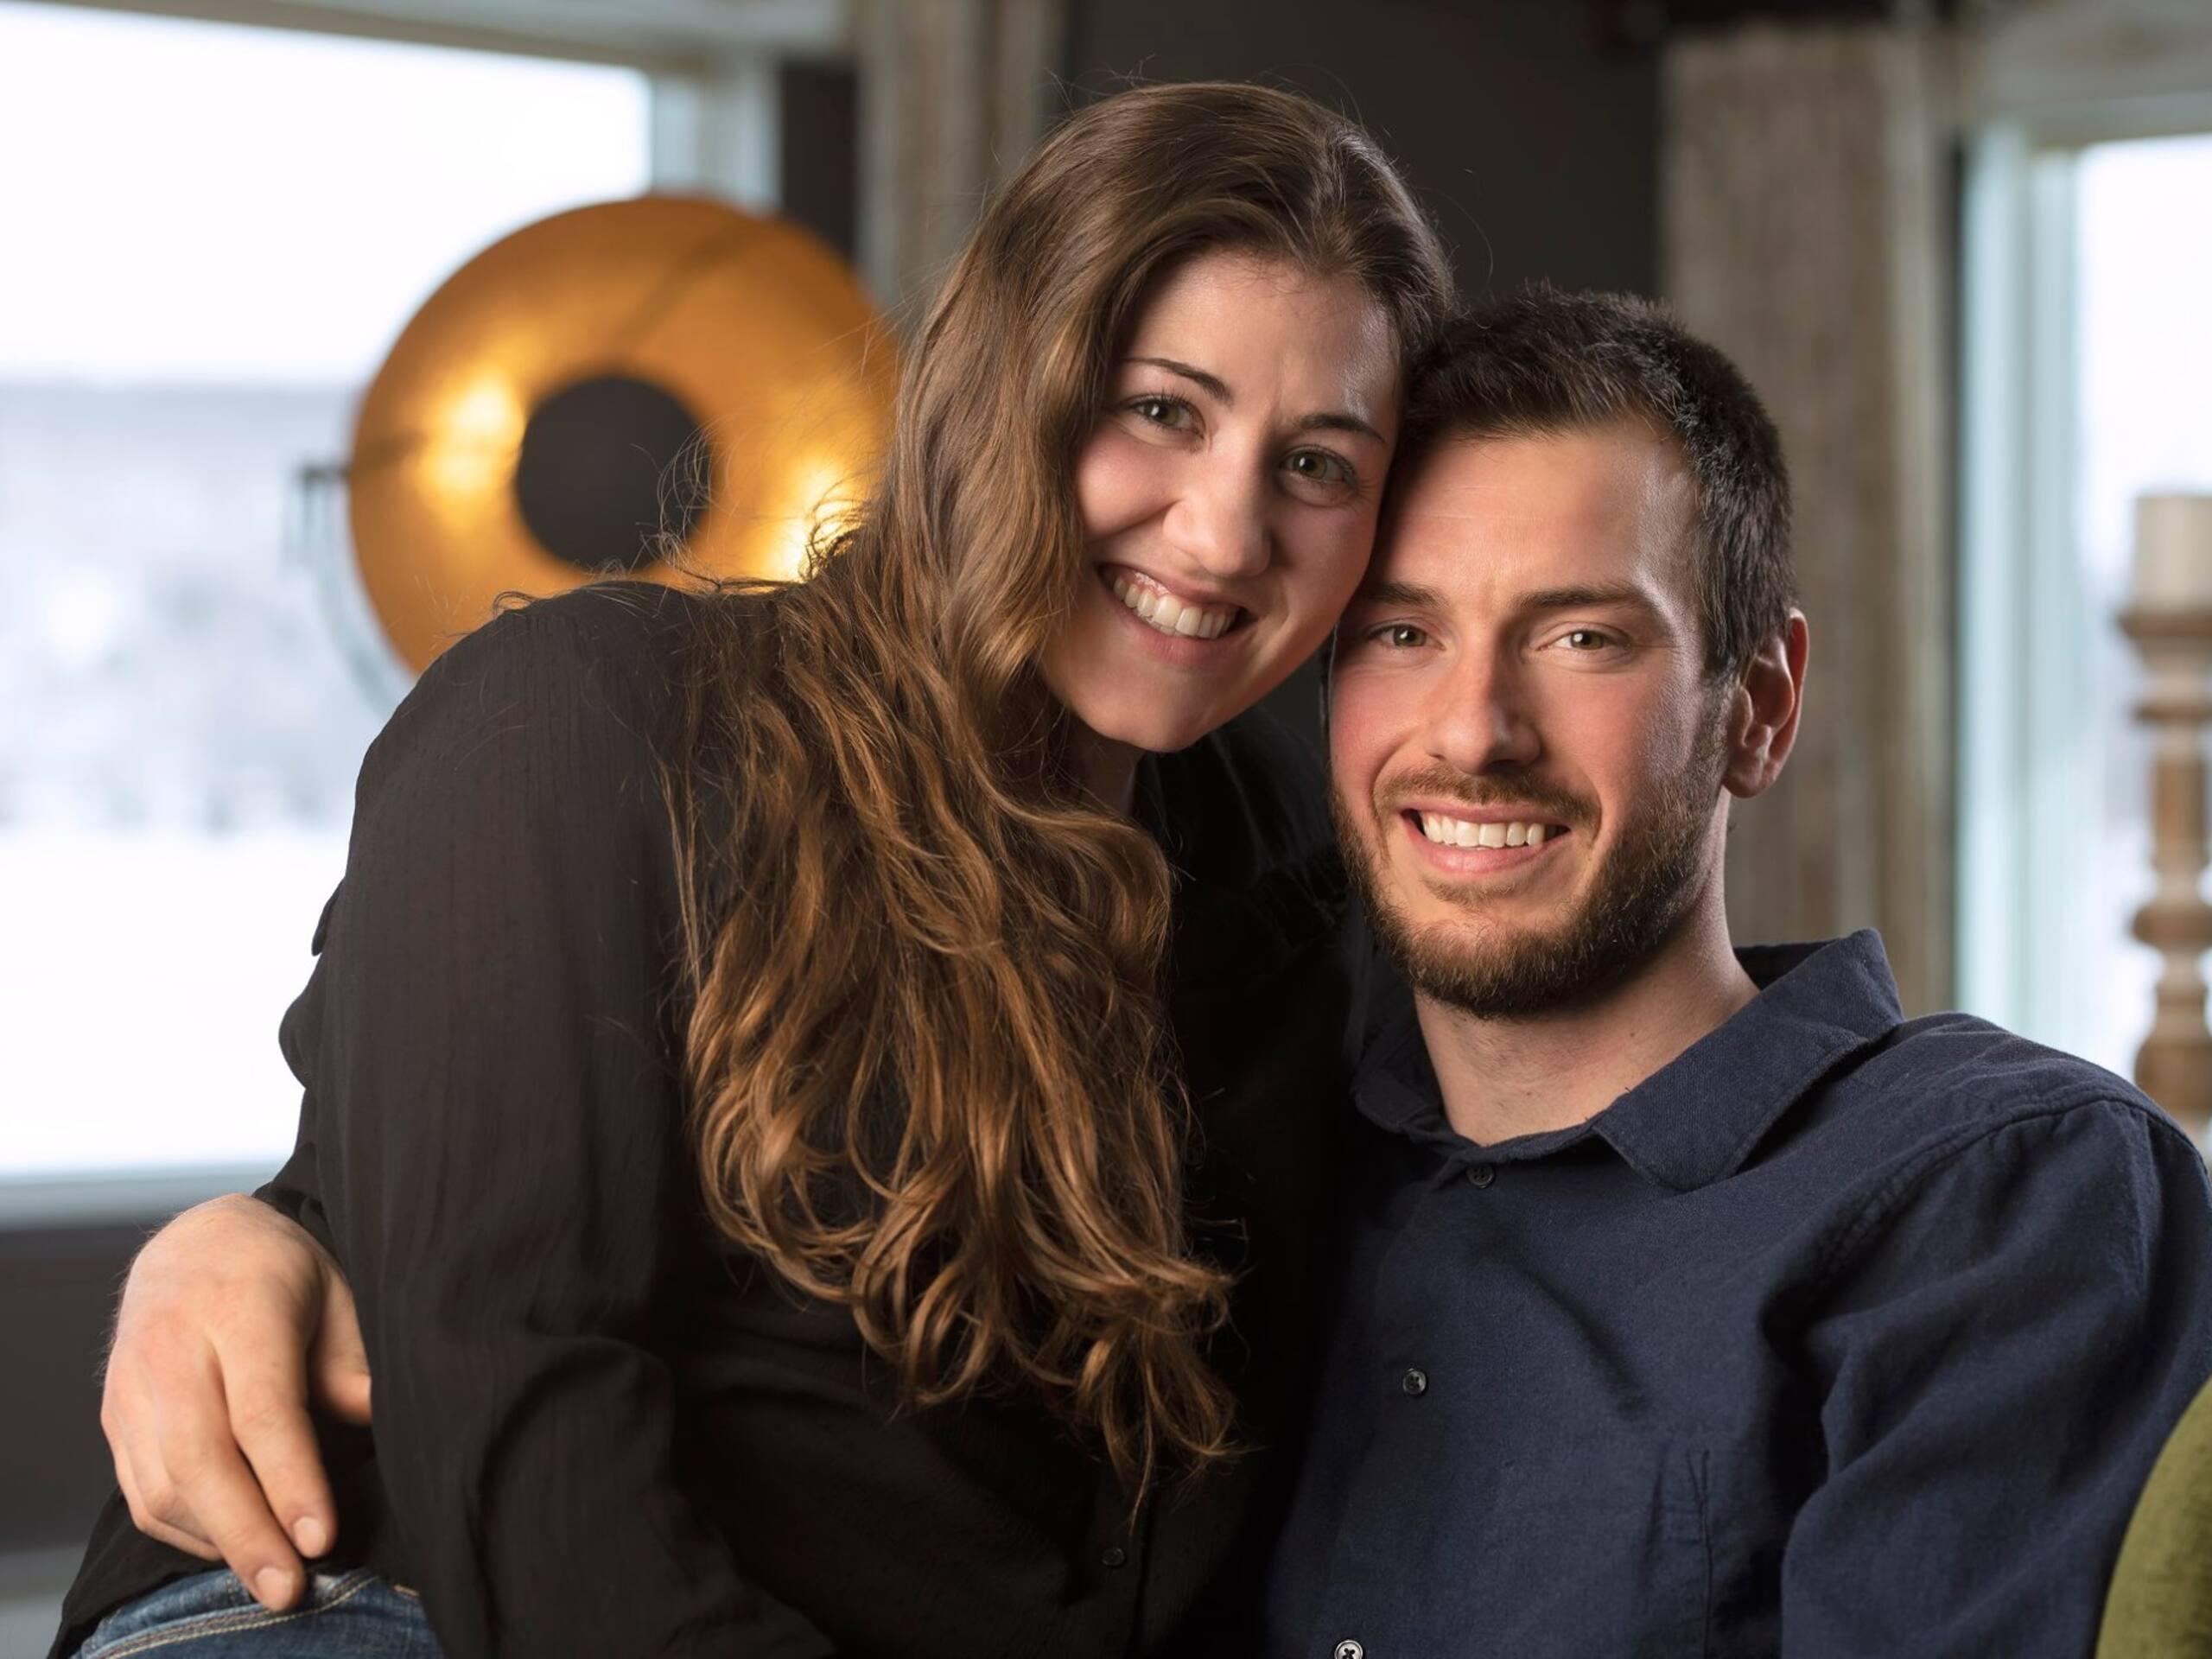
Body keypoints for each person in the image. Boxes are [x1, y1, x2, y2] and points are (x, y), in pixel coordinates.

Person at [53, 81, 1454, 1659]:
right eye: (1161, 411)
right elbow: (523, 1409)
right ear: (1008, 385)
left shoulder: (1306, 864)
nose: (1220, 534)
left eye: (1319, 465)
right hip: (390, 1603)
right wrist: (247, 1233)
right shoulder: (590, 718)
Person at [1266, 290, 2212, 1656]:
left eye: (1582, 636)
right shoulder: (1263, 1185)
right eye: (1402, 633)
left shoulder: (2002, 1191)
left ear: (1759, 707)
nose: (1472, 731)